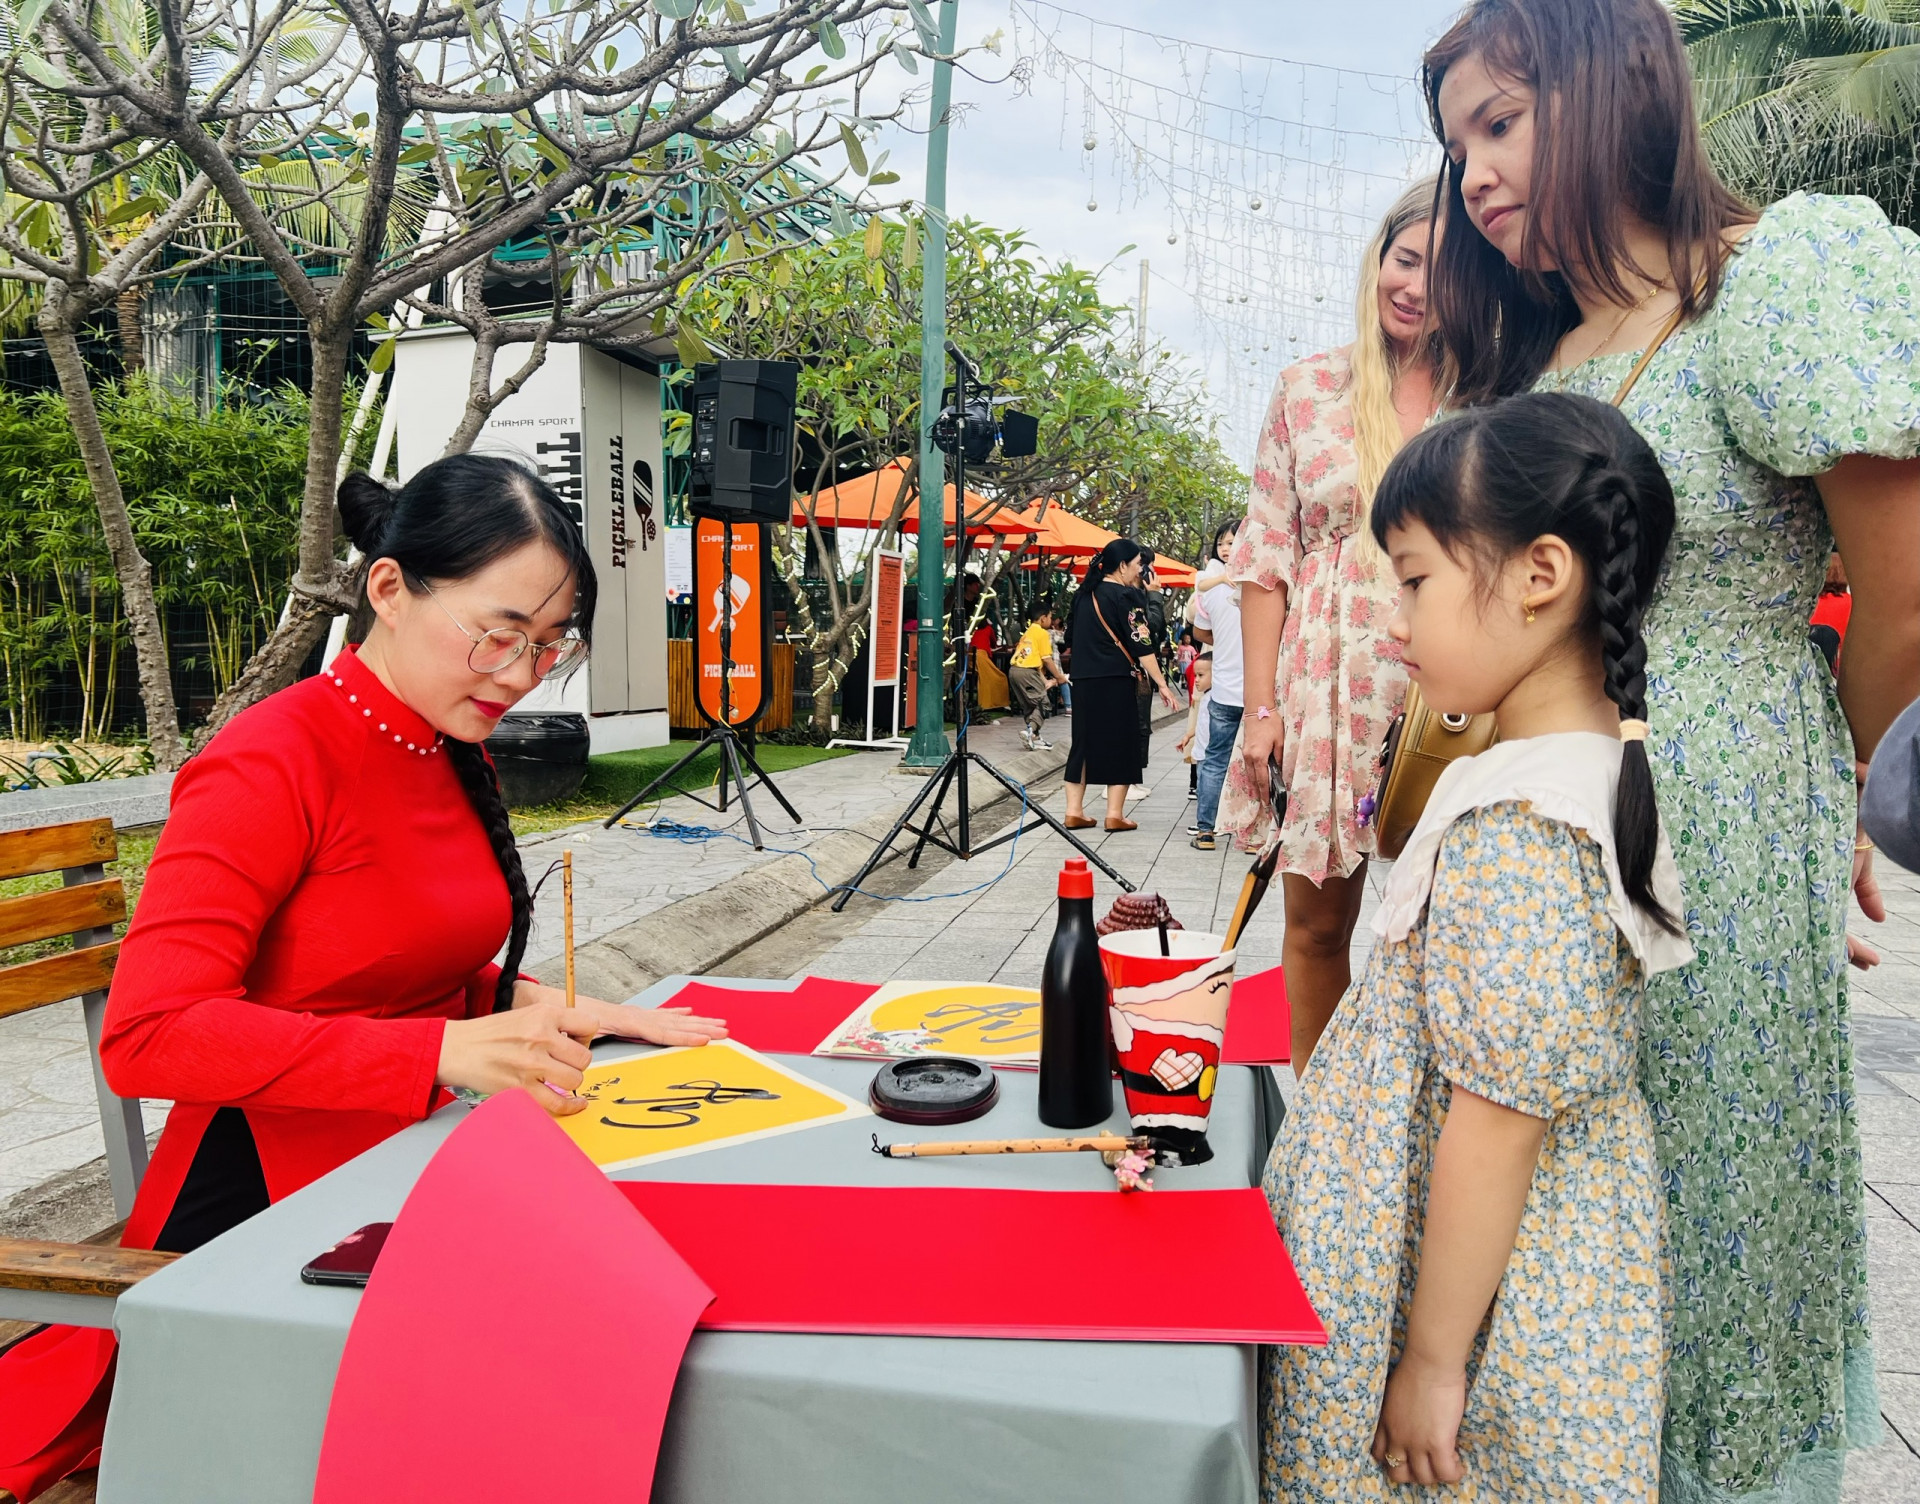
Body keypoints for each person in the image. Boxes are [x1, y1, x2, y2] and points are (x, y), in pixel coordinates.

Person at [0, 454, 729, 1500]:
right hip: (265, 1196)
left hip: (408, 1148)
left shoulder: (442, 741)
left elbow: (392, 957)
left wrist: (554, 1007)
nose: (521, 673)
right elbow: (148, 1033)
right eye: (499, 632)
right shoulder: (272, 760)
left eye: (547, 643)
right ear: (388, 590)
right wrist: (438, 1048)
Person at [1424, 2, 1920, 1496]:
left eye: (1499, 124)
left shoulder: (1776, 279)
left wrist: (1826, 782)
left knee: (1713, 1193)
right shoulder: (1544, 348)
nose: (1475, 180)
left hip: (1719, 838)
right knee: (1547, 1167)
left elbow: (1901, 602)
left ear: (1606, 87)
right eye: (1455, 149)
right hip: (1540, 836)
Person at [1264, 390, 1692, 1500]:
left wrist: (1432, 1359)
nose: (1393, 619)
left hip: (1475, 1316)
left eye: (1414, 580)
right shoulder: (1564, 776)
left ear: (1541, 575)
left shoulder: (1527, 826)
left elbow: (1499, 1119)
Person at [1225, 177, 1442, 1065]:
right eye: (1406, 258)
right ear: (1378, 257)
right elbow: (1265, 555)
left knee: (1445, 922)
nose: (1418, 287)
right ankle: (1316, 1121)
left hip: (1448, 679)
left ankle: (1424, 1127)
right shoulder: (1307, 387)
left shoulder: (1496, 392)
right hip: (1325, 683)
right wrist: (1261, 711)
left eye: (1445, 271)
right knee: (1318, 922)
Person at [1062, 539, 1178, 832]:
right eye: (1139, 563)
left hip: (1083, 678)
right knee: (1123, 742)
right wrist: (1162, 684)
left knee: (1083, 743)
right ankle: (1114, 814)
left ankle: (1074, 811)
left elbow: (1070, 639)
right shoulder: (1126, 597)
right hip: (1115, 678)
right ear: (1123, 565)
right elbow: (1143, 644)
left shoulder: (1082, 595)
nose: (1142, 570)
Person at [1190, 518, 1243, 850]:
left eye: (1232, 542)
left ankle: (1206, 830)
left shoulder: (1210, 589)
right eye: (1222, 542)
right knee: (1260, 761)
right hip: (1260, 693)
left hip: (1224, 688)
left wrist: (1223, 644)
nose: (1226, 548)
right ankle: (1253, 833)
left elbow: (1198, 632)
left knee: (1215, 759)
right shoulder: (1267, 585)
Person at [1008, 603, 1065, 750]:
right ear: (1042, 618)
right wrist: (1059, 677)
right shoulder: (1041, 633)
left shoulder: (1028, 633)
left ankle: (1036, 738)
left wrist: (1044, 680)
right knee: (1044, 704)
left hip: (1015, 671)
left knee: (1030, 705)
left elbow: (1035, 659)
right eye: (1050, 617)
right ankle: (1030, 732)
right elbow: (1047, 659)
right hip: (1027, 671)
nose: (1051, 621)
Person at [1176, 651, 1214, 800]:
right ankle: (1203, 821)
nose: (1196, 680)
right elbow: (1201, 723)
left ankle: (1206, 822)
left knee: (1207, 791)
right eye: (1195, 675)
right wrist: (1187, 736)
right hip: (1201, 753)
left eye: (1201, 676)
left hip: (1210, 754)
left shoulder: (1215, 699)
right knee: (1202, 790)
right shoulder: (1205, 697)